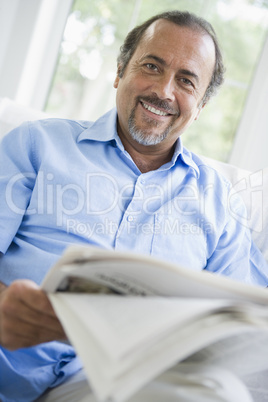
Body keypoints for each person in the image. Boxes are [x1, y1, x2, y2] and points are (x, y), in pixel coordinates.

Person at [0, 9, 267, 402]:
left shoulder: (219, 204)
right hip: (11, 364)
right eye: (152, 66)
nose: (163, 91)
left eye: (186, 81)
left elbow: (250, 326)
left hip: (119, 386)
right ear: (120, 71)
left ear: (201, 105)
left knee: (219, 390)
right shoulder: (36, 145)